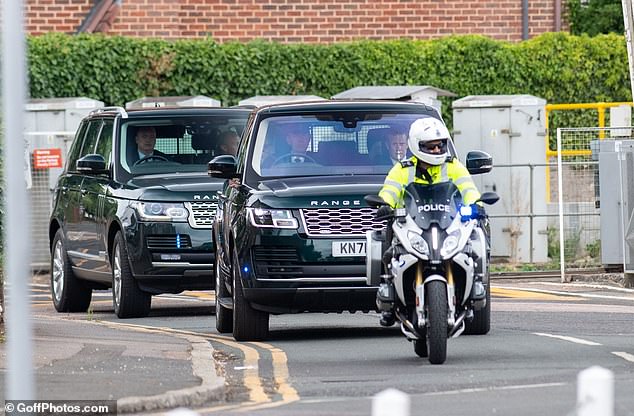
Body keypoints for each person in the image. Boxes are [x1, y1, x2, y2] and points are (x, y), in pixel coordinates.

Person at [376, 117, 484, 327]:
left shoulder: (454, 166)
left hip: (446, 223)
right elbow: (389, 191)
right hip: (412, 224)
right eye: (430, 147)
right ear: (417, 146)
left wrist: (476, 204)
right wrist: (385, 204)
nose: (436, 151)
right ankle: (389, 295)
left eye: (440, 145)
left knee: (473, 246)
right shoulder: (402, 169)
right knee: (389, 251)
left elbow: (468, 189)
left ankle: (473, 292)